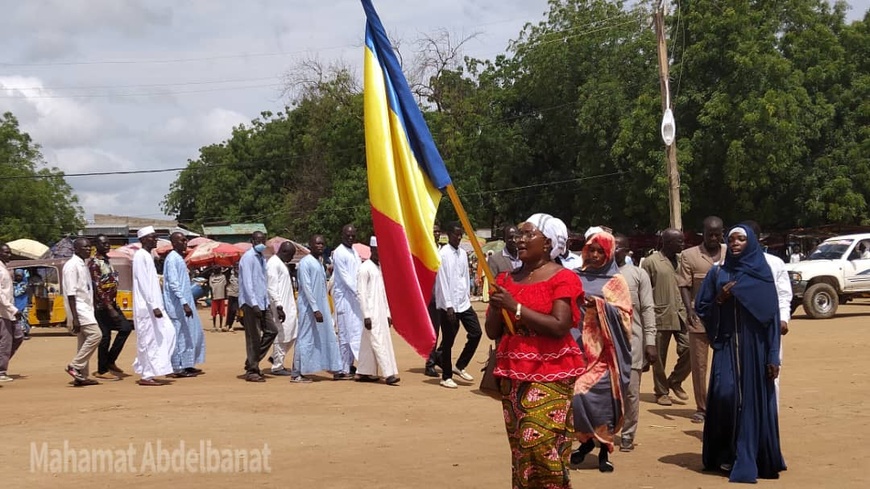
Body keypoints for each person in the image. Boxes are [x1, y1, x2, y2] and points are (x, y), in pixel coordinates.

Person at [485, 213, 584, 488]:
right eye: (519, 234)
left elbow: (559, 325)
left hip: (550, 372)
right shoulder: (506, 279)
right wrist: (497, 304)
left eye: (529, 234)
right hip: (512, 375)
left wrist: (514, 306)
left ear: (548, 242)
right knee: (521, 448)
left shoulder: (563, 278)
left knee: (539, 444)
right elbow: (493, 332)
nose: (520, 239)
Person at [695, 225, 786, 482]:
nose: (735, 243)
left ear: (751, 242)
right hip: (726, 345)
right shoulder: (718, 273)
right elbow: (702, 306)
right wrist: (720, 301)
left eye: (741, 239)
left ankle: (753, 455)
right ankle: (725, 452)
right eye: (732, 239)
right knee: (725, 395)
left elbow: (771, 317)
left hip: (755, 348)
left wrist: (772, 356)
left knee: (753, 401)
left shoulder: (762, 275)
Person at [570, 230, 632, 472]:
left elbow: (626, 315)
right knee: (576, 397)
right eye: (591, 250)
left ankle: (605, 449)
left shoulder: (617, 281)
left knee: (603, 398)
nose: (595, 255)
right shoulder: (574, 276)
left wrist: (598, 305)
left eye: (600, 251)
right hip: (577, 348)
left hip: (607, 353)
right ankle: (585, 442)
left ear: (609, 254)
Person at [677, 216, 725, 424]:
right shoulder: (689, 256)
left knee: (725, 363)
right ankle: (702, 407)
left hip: (725, 318)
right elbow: (684, 285)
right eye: (709, 234)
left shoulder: (730, 252)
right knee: (699, 365)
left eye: (717, 234)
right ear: (702, 233)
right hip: (699, 316)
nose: (714, 238)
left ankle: (723, 404)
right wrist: (689, 310)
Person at [615, 234, 658, 452]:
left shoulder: (638, 275)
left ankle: (628, 435)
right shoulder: (600, 275)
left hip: (633, 342)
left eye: (617, 247)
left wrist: (650, 341)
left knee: (631, 392)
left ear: (627, 251)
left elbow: (648, 309)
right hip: (606, 345)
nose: (613, 250)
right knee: (607, 391)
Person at [743, 220, 792, 409]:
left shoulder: (775, 263)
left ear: (757, 239)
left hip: (769, 328)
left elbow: (784, 295)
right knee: (742, 377)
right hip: (742, 331)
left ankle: (769, 422)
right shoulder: (725, 265)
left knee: (771, 373)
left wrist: (783, 319)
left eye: (745, 238)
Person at [641, 228, 690, 406]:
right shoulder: (650, 262)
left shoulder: (683, 261)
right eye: (680, 242)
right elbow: (644, 291)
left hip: (682, 313)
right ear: (668, 242)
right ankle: (661, 391)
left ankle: (675, 380)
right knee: (658, 357)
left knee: (690, 348)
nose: (683, 245)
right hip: (659, 314)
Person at [435, 222, 482, 389]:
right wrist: (448, 305)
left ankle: (460, 365)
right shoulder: (443, 254)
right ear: (448, 235)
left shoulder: (463, 253)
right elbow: (442, 281)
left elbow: (464, 277)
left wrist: (467, 297)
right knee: (448, 341)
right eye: (456, 234)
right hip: (449, 305)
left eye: (461, 234)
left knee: (476, 332)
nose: (459, 237)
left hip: (463, 303)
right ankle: (446, 376)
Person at [293, 235, 342, 383]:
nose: (320, 246)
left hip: (321, 307)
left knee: (325, 336)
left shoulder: (319, 263)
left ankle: (331, 366)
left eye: (322, 243)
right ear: (310, 245)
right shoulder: (305, 263)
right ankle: (296, 373)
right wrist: (315, 309)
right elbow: (306, 288)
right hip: (309, 308)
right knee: (304, 338)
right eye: (317, 243)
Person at [132, 226, 176, 386]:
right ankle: (146, 374)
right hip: (147, 307)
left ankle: (157, 367)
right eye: (152, 237)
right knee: (148, 340)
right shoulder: (140, 256)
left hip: (156, 305)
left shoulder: (148, 256)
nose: (155, 240)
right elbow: (144, 283)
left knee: (168, 333)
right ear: (143, 239)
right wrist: (153, 305)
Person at [355, 236, 400, 386]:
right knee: (378, 341)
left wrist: (388, 313)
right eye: (377, 250)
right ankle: (388, 374)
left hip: (381, 311)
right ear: (372, 250)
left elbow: (384, 293)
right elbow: (361, 293)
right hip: (371, 313)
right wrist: (366, 315)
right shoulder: (365, 268)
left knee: (369, 342)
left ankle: (363, 372)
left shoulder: (380, 268)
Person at [90, 234, 133, 381]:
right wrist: (109, 308)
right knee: (105, 336)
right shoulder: (94, 263)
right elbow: (98, 288)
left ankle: (110, 361)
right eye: (103, 244)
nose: (107, 246)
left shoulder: (107, 261)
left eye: (108, 243)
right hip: (102, 306)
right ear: (96, 245)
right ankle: (102, 370)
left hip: (112, 303)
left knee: (126, 328)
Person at [163, 232, 205, 378]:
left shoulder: (179, 258)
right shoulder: (171, 259)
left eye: (185, 240)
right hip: (177, 305)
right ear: (174, 243)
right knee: (178, 336)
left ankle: (187, 364)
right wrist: (183, 302)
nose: (185, 242)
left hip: (186, 303)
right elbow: (174, 284)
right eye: (182, 240)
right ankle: (176, 368)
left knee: (190, 333)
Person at [238, 231, 278, 382]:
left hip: (262, 302)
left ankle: (252, 361)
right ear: (252, 241)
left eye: (264, 240)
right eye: (258, 240)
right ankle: (252, 370)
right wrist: (254, 304)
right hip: (251, 304)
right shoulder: (248, 258)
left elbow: (262, 282)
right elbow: (247, 283)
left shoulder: (262, 257)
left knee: (271, 331)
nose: (262, 242)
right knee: (253, 336)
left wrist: (265, 302)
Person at [62, 238, 102, 387]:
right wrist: (75, 318)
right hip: (79, 308)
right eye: (85, 247)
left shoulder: (82, 264)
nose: (88, 250)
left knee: (83, 341)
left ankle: (81, 376)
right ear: (76, 249)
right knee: (96, 335)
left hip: (85, 307)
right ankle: (75, 365)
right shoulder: (72, 266)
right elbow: (71, 294)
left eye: (89, 247)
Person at [331, 224, 363, 380]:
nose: (350, 238)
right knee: (344, 335)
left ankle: (350, 364)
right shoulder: (339, 253)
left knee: (355, 332)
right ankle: (342, 369)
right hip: (345, 299)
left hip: (355, 300)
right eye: (348, 235)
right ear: (342, 235)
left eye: (353, 235)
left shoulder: (354, 252)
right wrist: (359, 293)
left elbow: (358, 273)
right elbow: (346, 278)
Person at [267, 241, 298, 376]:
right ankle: (277, 366)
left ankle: (276, 357)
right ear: (284, 252)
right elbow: (271, 287)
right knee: (282, 335)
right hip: (280, 306)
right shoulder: (273, 264)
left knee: (293, 333)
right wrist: (278, 306)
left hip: (288, 305)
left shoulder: (281, 264)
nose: (291, 259)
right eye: (291, 255)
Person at [0, 242, 24, 383]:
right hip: (4, 312)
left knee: (18, 337)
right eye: (5, 252)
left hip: (8, 311)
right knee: (6, 342)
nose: (9, 254)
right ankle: (1, 370)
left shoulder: (5, 268)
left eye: (9, 252)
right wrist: (13, 309)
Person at [424, 223, 443, 377]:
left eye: (438, 232)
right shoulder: (426, 250)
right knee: (434, 332)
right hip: (432, 298)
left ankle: (439, 356)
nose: (436, 234)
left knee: (451, 330)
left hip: (445, 297)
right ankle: (429, 362)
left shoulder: (443, 250)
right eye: (434, 232)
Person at [209, 267, 228, 331]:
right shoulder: (223, 277)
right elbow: (225, 284)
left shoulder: (211, 277)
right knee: (220, 313)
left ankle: (215, 326)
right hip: (220, 296)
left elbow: (210, 286)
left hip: (215, 296)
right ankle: (219, 326)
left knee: (216, 313)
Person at [13, 270, 30, 340]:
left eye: (19, 276)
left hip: (23, 304)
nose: (18, 277)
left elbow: (17, 293)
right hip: (15, 304)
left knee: (24, 318)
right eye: (16, 276)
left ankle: (24, 333)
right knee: (17, 319)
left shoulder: (25, 284)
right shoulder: (13, 284)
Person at [225, 265, 240, 332]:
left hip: (238, 295)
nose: (237, 269)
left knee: (234, 310)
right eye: (236, 268)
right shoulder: (229, 274)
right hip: (231, 294)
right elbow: (225, 282)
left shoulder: (242, 275)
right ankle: (227, 325)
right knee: (229, 310)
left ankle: (230, 325)